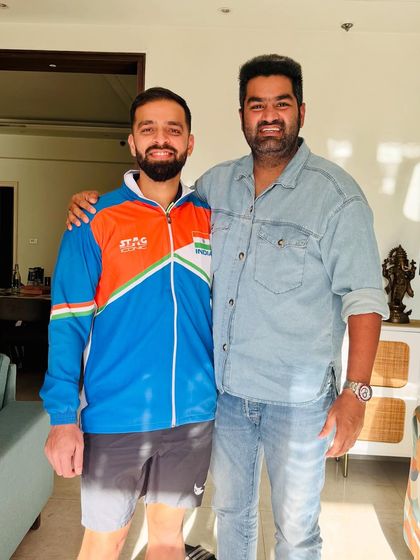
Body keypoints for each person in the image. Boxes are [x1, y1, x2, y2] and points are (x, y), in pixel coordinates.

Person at [67, 55, 389, 560]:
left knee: (297, 531)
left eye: (281, 103)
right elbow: (158, 203)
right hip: (229, 396)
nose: (269, 115)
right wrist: (94, 204)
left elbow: (365, 300)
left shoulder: (337, 197)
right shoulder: (216, 187)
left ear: (301, 111)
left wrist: (356, 394)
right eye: (256, 105)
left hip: (299, 403)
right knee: (232, 516)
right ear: (242, 115)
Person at [41, 87, 217, 560]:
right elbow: (67, 324)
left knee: (167, 541)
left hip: (192, 416)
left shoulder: (211, 219)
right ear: (133, 142)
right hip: (114, 416)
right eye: (148, 129)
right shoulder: (94, 219)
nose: (161, 139)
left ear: (189, 142)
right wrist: (62, 418)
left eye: (173, 130)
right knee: (106, 542)